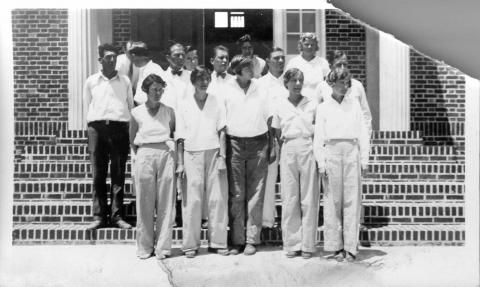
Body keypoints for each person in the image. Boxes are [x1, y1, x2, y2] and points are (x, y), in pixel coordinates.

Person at [313, 70, 370, 262]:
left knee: (352, 201)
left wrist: (364, 158)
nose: (345, 86)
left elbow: (363, 132)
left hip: (351, 151)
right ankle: (335, 246)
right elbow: (318, 137)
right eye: (341, 82)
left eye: (347, 82)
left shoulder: (354, 105)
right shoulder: (323, 108)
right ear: (331, 84)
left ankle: (351, 248)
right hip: (331, 153)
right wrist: (321, 162)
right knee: (332, 201)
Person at [224, 55, 275, 256]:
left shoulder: (261, 88)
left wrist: (272, 146)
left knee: (256, 192)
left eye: (252, 66)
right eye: (247, 67)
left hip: (259, 143)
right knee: (236, 193)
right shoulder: (226, 89)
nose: (251, 70)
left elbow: (270, 118)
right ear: (237, 69)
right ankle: (237, 240)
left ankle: (252, 239)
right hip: (234, 143)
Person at [315, 50, 373, 230]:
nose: (342, 67)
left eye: (345, 64)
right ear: (331, 65)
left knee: (353, 190)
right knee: (333, 193)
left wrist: (364, 144)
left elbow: (365, 116)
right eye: (338, 64)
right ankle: (335, 228)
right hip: (331, 147)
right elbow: (318, 117)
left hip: (352, 145)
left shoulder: (356, 86)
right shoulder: (322, 86)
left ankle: (357, 224)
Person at [176, 66, 229, 258]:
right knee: (193, 200)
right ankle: (190, 245)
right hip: (191, 154)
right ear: (193, 81)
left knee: (217, 199)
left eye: (207, 78)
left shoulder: (216, 101)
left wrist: (223, 157)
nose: (204, 82)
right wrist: (180, 163)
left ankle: (218, 242)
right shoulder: (183, 104)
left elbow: (222, 130)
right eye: (200, 78)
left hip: (214, 153)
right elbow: (179, 137)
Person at [83, 43, 133, 230]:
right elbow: (87, 106)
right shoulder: (91, 81)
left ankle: (117, 216)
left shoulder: (125, 81)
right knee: (98, 174)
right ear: (100, 60)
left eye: (114, 57)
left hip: (119, 127)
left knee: (118, 173)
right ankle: (98, 216)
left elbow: (130, 106)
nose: (112, 60)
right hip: (97, 128)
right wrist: (90, 129)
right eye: (108, 57)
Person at [271, 68, 319, 259]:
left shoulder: (312, 103)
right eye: (294, 81)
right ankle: (292, 244)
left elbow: (319, 127)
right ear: (286, 84)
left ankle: (308, 245)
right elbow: (275, 131)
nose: (297, 84)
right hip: (288, 147)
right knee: (290, 197)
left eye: (300, 80)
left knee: (309, 197)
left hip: (308, 146)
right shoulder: (280, 104)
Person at [129, 73, 177, 260]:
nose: (158, 93)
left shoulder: (169, 111)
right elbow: (132, 139)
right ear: (146, 91)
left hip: (166, 154)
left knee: (166, 202)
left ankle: (163, 247)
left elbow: (172, 132)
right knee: (145, 202)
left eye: (160, 89)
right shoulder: (136, 112)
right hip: (145, 155)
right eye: (154, 89)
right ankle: (144, 246)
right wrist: (141, 153)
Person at [257, 47, 286, 229]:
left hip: (289, 138)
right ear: (268, 61)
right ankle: (268, 220)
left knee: (291, 183)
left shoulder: (290, 81)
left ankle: (289, 221)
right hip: (270, 138)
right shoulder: (260, 84)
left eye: (282, 58)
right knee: (269, 180)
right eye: (276, 58)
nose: (280, 61)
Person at [285, 33, 330, 102]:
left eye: (312, 45)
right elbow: (287, 84)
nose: (309, 47)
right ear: (301, 46)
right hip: (298, 102)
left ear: (316, 46)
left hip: (318, 102)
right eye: (306, 44)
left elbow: (328, 84)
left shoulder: (323, 63)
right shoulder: (293, 62)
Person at [161, 42, 192, 111]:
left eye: (183, 55)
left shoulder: (192, 77)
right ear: (168, 58)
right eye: (177, 55)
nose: (181, 58)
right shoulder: (160, 78)